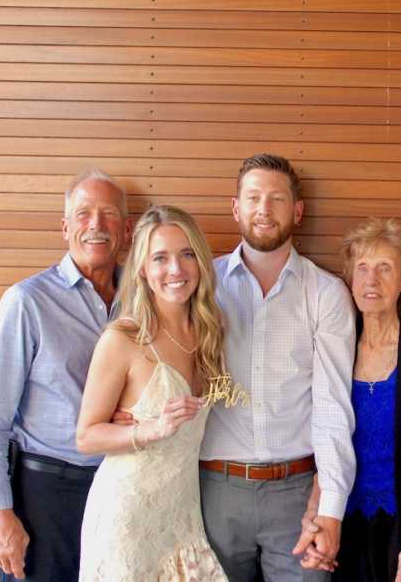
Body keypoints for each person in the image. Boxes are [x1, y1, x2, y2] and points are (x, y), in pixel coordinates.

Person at [0, 169, 130, 581]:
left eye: (108, 215)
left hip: (121, 494)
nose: (96, 226)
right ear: (65, 226)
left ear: (126, 230)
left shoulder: (143, 300)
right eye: (84, 214)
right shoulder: (27, 302)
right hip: (43, 498)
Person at [200, 153, 356, 580]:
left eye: (276, 199)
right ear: (236, 207)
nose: (263, 210)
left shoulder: (326, 294)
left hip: (297, 493)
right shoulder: (201, 287)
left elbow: (333, 408)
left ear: (298, 211)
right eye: (253, 198)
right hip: (214, 491)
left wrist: (331, 509)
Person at [76, 205, 226, 580]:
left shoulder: (210, 331)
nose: (175, 270)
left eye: (186, 254)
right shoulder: (123, 338)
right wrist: (149, 430)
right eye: (160, 258)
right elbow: (86, 436)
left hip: (182, 517)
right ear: (142, 268)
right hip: (126, 519)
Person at [328, 217, 401, 582]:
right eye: (362, 268)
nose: (371, 280)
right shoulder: (335, 353)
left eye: (384, 268)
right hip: (342, 524)